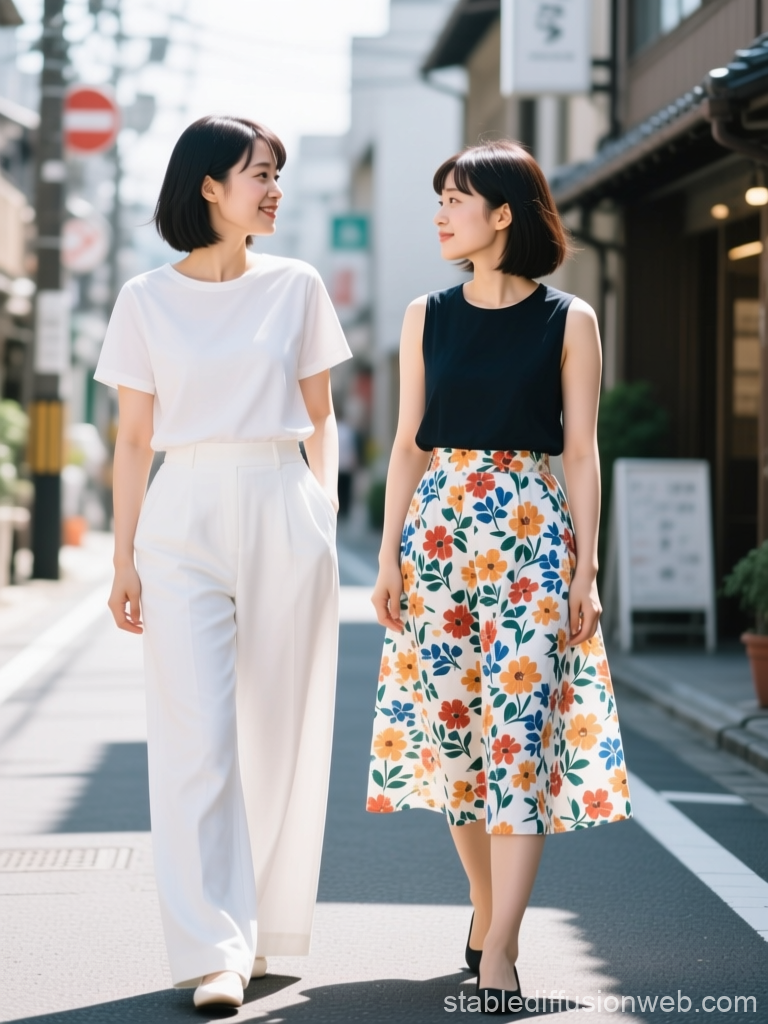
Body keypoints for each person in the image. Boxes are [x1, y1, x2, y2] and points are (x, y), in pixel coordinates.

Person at [368, 140, 631, 1015]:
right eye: (440, 198)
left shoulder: (570, 319)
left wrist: (589, 566)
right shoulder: (425, 315)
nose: (441, 213)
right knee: (458, 745)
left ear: (505, 213)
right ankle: (486, 912)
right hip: (438, 536)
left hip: (532, 535)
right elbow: (408, 444)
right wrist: (387, 554)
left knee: (519, 742)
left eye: (456, 198)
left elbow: (583, 452)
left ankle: (502, 949)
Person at [95, 115, 351, 1009]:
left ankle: (265, 929)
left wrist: (321, 509)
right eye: (260, 174)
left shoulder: (298, 285)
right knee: (195, 736)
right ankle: (215, 948)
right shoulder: (144, 298)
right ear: (209, 186)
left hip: (282, 498)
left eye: (278, 173)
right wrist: (122, 559)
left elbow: (322, 417)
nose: (275, 189)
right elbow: (133, 440)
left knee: (280, 732)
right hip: (182, 514)